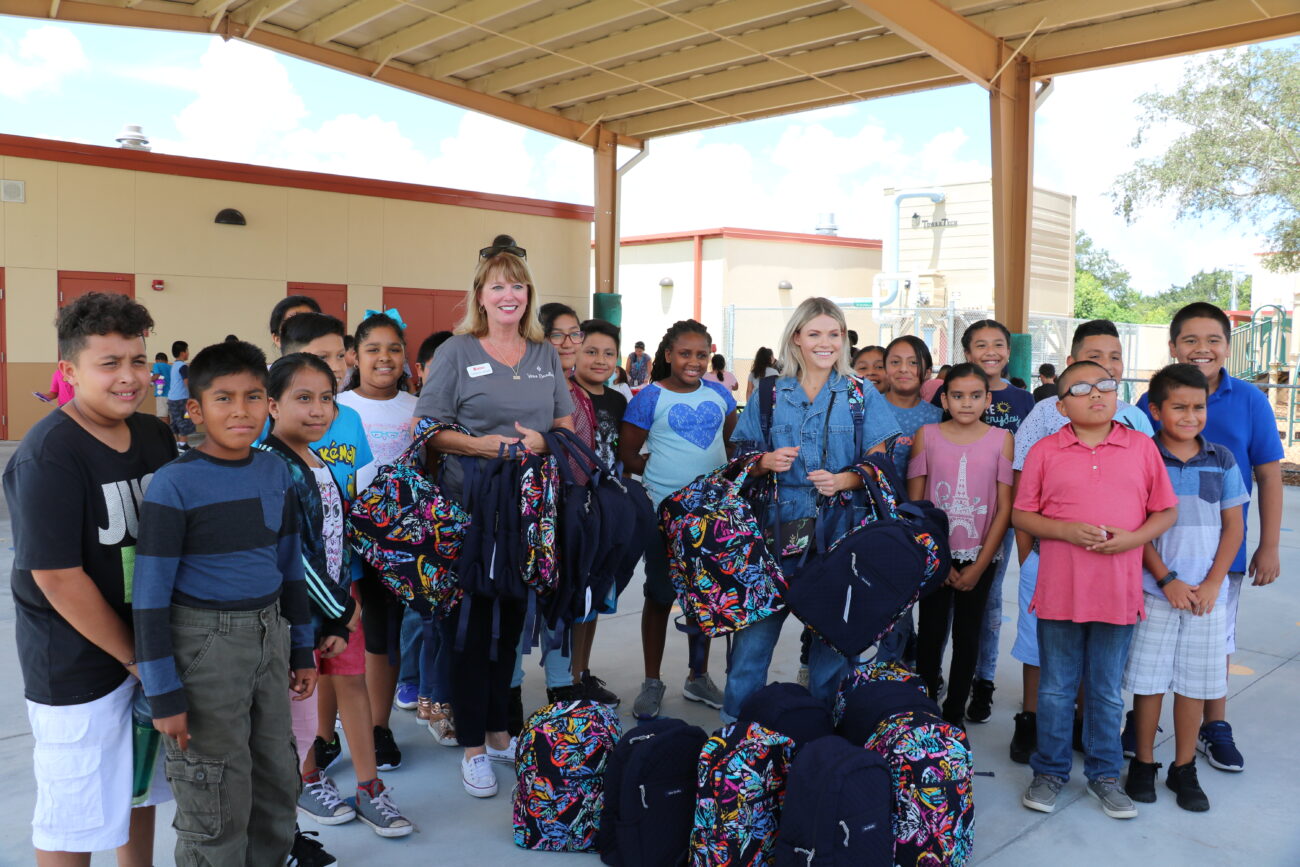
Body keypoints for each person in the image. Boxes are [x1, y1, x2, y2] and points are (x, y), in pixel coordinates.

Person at [134, 340, 317, 865]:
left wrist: (301, 649)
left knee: (276, 781)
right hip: (204, 648)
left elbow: (289, 568)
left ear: (269, 404)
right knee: (215, 793)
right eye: (224, 399)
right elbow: (149, 597)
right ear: (195, 409)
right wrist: (164, 693)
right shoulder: (176, 483)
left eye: (254, 397)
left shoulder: (273, 471)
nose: (241, 411)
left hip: (270, 638)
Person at [6, 292, 173, 867]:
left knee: (139, 789)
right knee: (73, 817)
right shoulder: (49, 453)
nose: (129, 378)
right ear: (70, 371)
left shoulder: (155, 436)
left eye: (137, 360)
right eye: (109, 364)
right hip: (76, 668)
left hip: (146, 650)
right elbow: (56, 576)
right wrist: (136, 660)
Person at [414, 238, 574, 799]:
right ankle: (473, 748)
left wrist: (543, 440)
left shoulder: (542, 353)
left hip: (529, 512)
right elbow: (428, 428)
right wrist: (487, 448)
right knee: (469, 630)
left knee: (510, 619)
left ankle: (501, 733)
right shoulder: (458, 351)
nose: (509, 294)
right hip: (470, 513)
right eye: (497, 285)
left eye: (518, 284)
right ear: (480, 296)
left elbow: (565, 425)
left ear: (528, 295)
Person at [1014, 360, 1177, 820]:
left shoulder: (1141, 447)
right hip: (1060, 590)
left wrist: (1133, 539)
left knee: (1106, 691)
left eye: (1106, 385)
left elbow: (1165, 511)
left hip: (1117, 591)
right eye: (1082, 388)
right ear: (1062, 406)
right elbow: (1022, 516)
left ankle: (1105, 776)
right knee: (1056, 690)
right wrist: (1063, 531)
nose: (1097, 394)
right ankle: (1049, 771)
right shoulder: (1046, 450)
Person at [723, 298, 899, 720]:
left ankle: (820, 738)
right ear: (796, 338)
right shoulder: (768, 393)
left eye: (834, 334)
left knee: (833, 648)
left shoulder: (861, 394)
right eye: (815, 333)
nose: (825, 343)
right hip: (771, 535)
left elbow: (880, 464)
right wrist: (763, 462)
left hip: (842, 536)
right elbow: (737, 461)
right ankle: (736, 739)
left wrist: (843, 480)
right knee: (752, 645)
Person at [1136, 301, 1283, 772]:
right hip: (1158, 554)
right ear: (1173, 346)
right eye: (1190, 340)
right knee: (1152, 647)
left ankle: (1214, 726)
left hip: (1221, 551)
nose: (1202, 349)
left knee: (1215, 642)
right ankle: (1140, 728)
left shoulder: (1250, 400)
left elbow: (1268, 473)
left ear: (1227, 346)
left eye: (1213, 340)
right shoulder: (1149, 402)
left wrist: (1270, 543)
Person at [1006, 319, 1154, 757]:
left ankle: (1083, 724)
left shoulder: (1135, 421)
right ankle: (1032, 718)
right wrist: (1027, 552)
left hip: (1112, 565)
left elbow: (1150, 498)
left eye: (1114, 357)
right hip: (1050, 558)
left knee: (1098, 653)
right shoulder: (1044, 415)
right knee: (1041, 643)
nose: (1104, 367)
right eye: (1093, 357)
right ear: (1070, 363)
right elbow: (1021, 489)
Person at [1123, 364, 1246, 813]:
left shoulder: (1223, 459)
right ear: (1155, 410)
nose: (1191, 415)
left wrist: (1213, 583)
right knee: (1149, 680)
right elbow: (1136, 527)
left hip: (1206, 598)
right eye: (1179, 407)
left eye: (1199, 407)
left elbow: (1233, 526)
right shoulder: (1142, 456)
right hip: (1156, 592)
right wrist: (1167, 580)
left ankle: (1184, 765)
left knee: (1194, 683)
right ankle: (1144, 762)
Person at [272, 313, 378, 775]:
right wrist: (339, 607)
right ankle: (308, 778)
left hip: (342, 591)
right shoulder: (271, 461)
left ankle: (369, 784)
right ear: (273, 404)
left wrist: (348, 597)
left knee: (353, 680)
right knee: (301, 692)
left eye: (327, 399)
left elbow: (345, 512)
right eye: (304, 397)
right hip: (304, 604)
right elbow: (291, 549)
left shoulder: (333, 440)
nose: (318, 408)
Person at [621, 320, 738, 720]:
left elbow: (730, 445)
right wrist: (661, 477)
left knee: (704, 597)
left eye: (701, 355)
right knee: (660, 596)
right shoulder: (649, 398)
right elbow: (629, 454)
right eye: (685, 354)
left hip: (712, 515)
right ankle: (652, 681)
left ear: (710, 355)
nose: (693, 361)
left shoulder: (721, 394)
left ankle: (698, 676)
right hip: (664, 515)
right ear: (667, 355)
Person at [930, 321, 1032, 730]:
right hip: (949, 522)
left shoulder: (1023, 401)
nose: (990, 351)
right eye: (980, 345)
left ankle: (981, 681)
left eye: (998, 344)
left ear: (1009, 351)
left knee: (985, 607)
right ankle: (933, 678)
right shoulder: (942, 402)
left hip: (995, 519)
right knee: (940, 612)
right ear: (967, 352)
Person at [909, 363, 1014, 726]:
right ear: (944, 399)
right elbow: (917, 507)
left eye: (974, 396)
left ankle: (954, 713)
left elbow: (1004, 508)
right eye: (957, 396)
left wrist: (981, 565)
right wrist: (940, 561)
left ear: (988, 399)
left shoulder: (1002, 439)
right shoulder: (928, 435)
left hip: (982, 555)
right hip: (935, 554)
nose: (966, 403)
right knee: (931, 633)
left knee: (969, 636)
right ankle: (924, 710)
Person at [337, 312, 419, 773]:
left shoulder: (416, 408)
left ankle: (377, 727)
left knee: (384, 635)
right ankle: (327, 734)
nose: (384, 358)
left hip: (399, 540)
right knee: (343, 631)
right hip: (348, 537)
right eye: (373, 349)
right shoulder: (339, 407)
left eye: (393, 349)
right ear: (355, 356)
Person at [396, 328, 456, 746]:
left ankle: (438, 693)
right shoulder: (418, 413)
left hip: (457, 525)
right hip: (418, 526)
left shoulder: (469, 411)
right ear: (420, 371)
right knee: (418, 611)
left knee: (444, 615)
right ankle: (411, 680)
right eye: (440, 368)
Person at [166, 340, 194, 451]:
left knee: (175, 421)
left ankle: (177, 443)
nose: (188, 352)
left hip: (172, 399)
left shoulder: (174, 365)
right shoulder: (183, 366)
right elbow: (186, 382)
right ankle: (183, 445)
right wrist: (193, 395)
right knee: (185, 420)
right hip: (182, 399)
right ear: (183, 352)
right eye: (187, 350)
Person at [150, 351, 170, 421]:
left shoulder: (156, 365)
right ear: (167, 360)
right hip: (172, 395)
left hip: (162, 394)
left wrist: (148, 380)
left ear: (157, 360)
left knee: (163, 416)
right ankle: (170, 431)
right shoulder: (171, 366)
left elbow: (156, 375)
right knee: (169, 416)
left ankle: (165, 432)